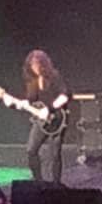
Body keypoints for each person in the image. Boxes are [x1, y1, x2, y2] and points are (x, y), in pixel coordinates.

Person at [16, 49, 70, 182]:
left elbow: (64, 96)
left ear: (44, 64)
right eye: (33, 65)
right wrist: (19, 104)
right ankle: (38, 181)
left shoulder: (54, 76)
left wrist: (50, 109)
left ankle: (56, 183)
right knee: (31, 150)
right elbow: (31, 101)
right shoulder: (31, 81)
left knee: (55, 154)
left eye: (38, 64)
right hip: (40, 121)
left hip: (57, 119)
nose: (36, 68)